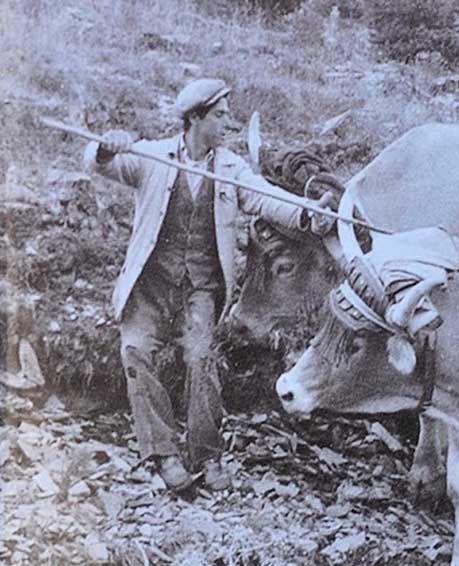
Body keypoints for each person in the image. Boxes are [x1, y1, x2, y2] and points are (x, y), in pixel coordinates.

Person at [83, 78, 334, 491]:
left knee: (201, 358)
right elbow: (99, 163)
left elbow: (267, 197)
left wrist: (309, 215)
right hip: (150, 285)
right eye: (220, 115)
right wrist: (107, 146)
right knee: (135, 351)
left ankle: (207, 455)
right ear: (196, 117)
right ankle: (163, 453)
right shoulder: (152, 155)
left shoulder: (231, 169)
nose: (227, 123)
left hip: (199, 287)